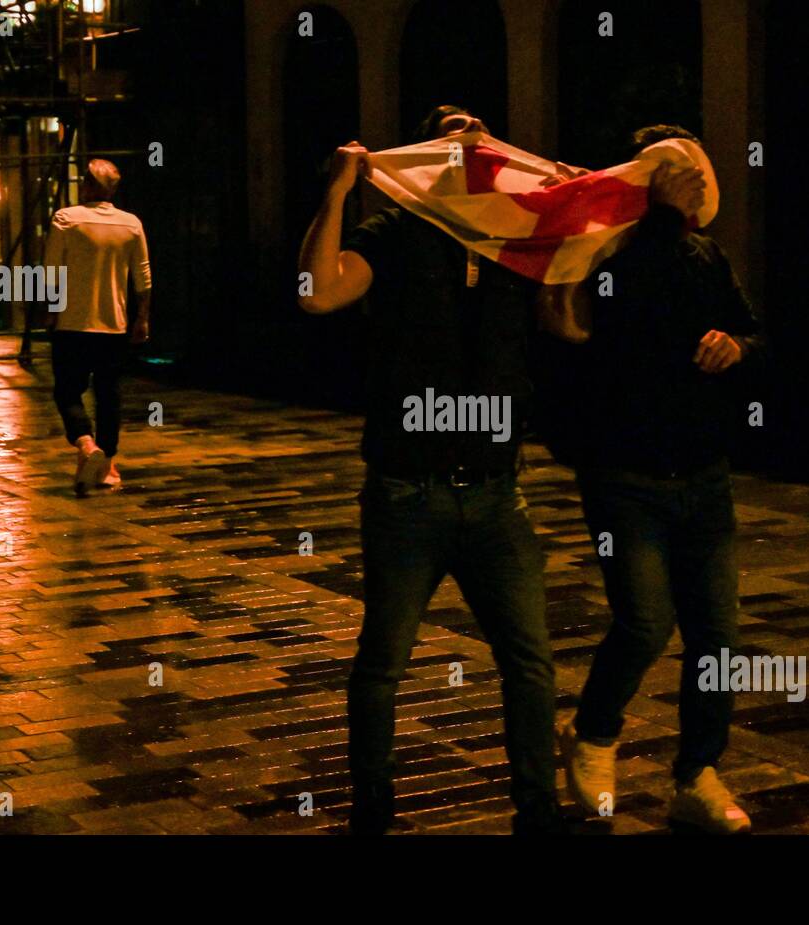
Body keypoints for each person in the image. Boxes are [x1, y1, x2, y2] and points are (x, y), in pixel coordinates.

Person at [297, 106, 578, 835]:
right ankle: (374, 808)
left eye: (479, 131)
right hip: (407, 493)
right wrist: (337, 192)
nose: (469, 140)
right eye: (450, 131)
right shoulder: (394, 235)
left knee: (532, 664)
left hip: (496, 493)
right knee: (383, 661)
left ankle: (538, 810)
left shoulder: (511, 239)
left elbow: (571, 324)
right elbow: (318, 292)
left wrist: (576, 228)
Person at [546, 125, 767, 834]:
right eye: (674, 176)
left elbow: (751, 329)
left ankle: (697, 772)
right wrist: (657, 219)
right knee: (644, 619)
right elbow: (621, 310)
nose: (692, 187)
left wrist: (738, 346)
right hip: (625, 474)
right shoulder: (610, 254)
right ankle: (595, 733)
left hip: (702, 474)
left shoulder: (704, 253)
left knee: (718, 637)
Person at [43, 159, 151, 496]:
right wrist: (142, 317)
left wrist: (49, 311)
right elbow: (143, 277)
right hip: (114, 324)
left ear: (86, 184)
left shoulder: (66, 219)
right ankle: (107, 463)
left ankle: (86, 443)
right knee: (109, 396)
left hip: (71, 324)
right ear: (113, 189)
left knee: (67, 390)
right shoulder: (131, 224)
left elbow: (51, 273)